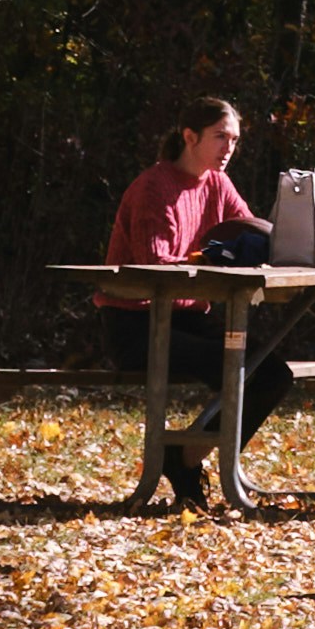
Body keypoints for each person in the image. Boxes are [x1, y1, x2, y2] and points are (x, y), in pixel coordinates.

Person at [103, 93, 281, 508]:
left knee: (270, 374)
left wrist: (280, 242)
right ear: (189, 136)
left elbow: (248, 231)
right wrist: (217, 261)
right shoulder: (154, 188)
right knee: (241, 368)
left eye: (234, 140)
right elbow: (155, 270)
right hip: (137, 325)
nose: (229, 148)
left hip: (187, 320)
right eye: (220, 137)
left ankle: (184, 457)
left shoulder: (218, 183)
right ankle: (181, 463)